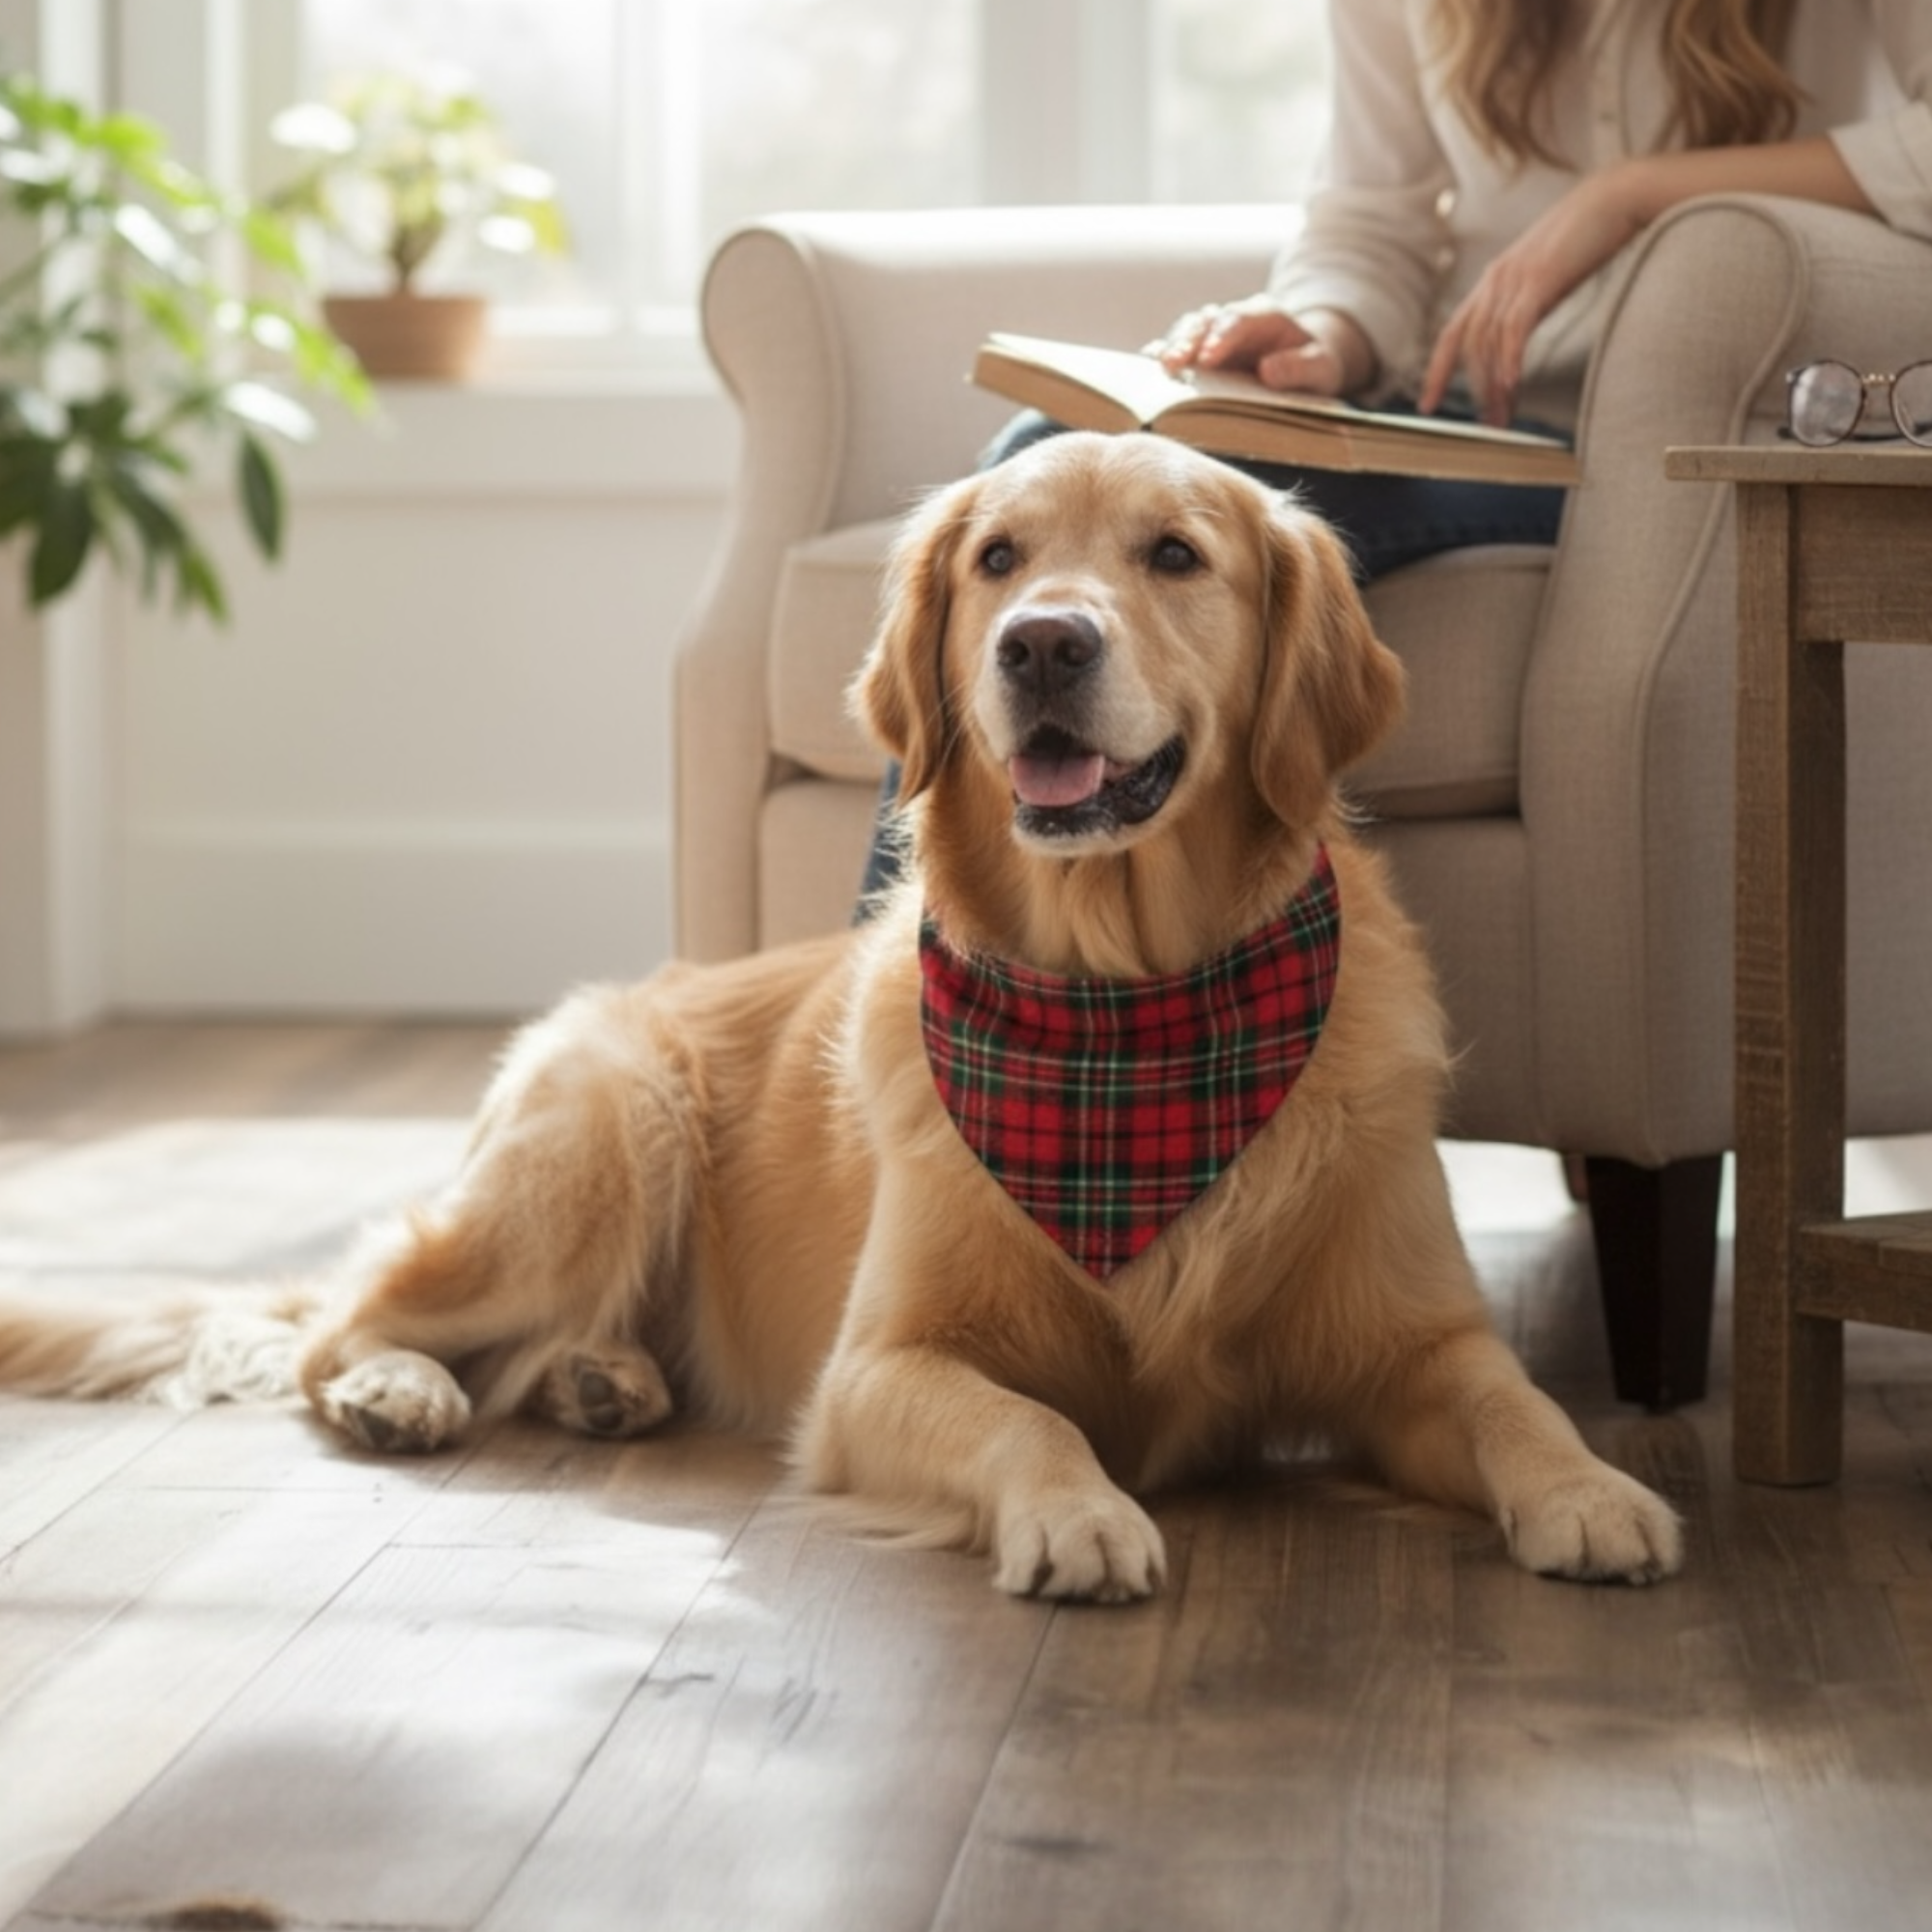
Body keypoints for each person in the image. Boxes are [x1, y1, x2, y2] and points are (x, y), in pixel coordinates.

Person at [860, 0, 1932, 899]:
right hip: (1456, 414)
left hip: (1688, 443)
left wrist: (1631, 195)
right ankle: (905, 1009)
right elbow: (1371, 221)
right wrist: (1322, 333)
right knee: (1040, 450)